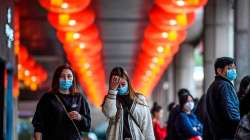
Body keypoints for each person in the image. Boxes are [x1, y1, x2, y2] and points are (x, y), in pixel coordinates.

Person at [32, 64, 91, 140]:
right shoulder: (47, 98)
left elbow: (87, 126)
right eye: (62, 76)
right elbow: (38, 126)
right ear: (57, 78)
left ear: (73, 79)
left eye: (69, 76)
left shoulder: (79, 98)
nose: (66, 79)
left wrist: (80, 117)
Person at [102, 67, 155, 140]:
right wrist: (112, 90)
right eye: (117, 85)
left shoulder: (139, 100)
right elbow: (109, 113)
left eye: (123, 84)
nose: (120, 87)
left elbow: (147, 127)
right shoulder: (111, 99)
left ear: (128, 83)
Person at [204, 57, 240, 140]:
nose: (233, 70)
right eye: (229, 68)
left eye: (234, 68)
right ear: (219, 71)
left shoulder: (213, 86)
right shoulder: (225, 86)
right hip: (227, 135)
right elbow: (232, 114)